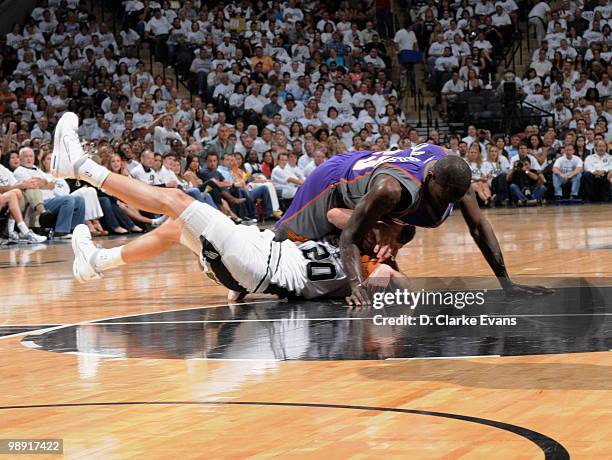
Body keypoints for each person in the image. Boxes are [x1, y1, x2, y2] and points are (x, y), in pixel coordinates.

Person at [50, 112, 401, 301]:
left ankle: (81, 167)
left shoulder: (371, 270)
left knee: (178, 201)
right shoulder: (352, 241)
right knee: (175, 228)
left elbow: (395, 281)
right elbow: (336, 215)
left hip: (256, 263)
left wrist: (392, 261)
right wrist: (388, 229)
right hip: (254, 262)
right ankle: (96, 262)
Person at [274, 143, 552, 304]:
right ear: (430, 180)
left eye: (452, 202)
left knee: (401, 231)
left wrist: (507, 282)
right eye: (443, 199)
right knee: (283, 238)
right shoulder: (390, 190)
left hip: (370, 170)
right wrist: (355, 286)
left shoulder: (454, 176)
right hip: (333, 181)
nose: (446, 207)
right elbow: (350, 236)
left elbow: (479, 228)